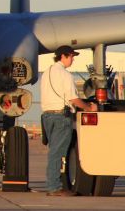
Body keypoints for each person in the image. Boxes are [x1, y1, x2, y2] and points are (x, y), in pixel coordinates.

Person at [40, 45, 98, 196]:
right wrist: (88, 107)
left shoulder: (47, 73)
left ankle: (54, 185)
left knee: (53, 152)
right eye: (71, 56)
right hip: (61, 116)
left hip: (47, 116)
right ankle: (54, 187)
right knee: (57, 153)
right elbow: (73, 99)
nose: (72, 60)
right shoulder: (65, 75)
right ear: (63, 56)